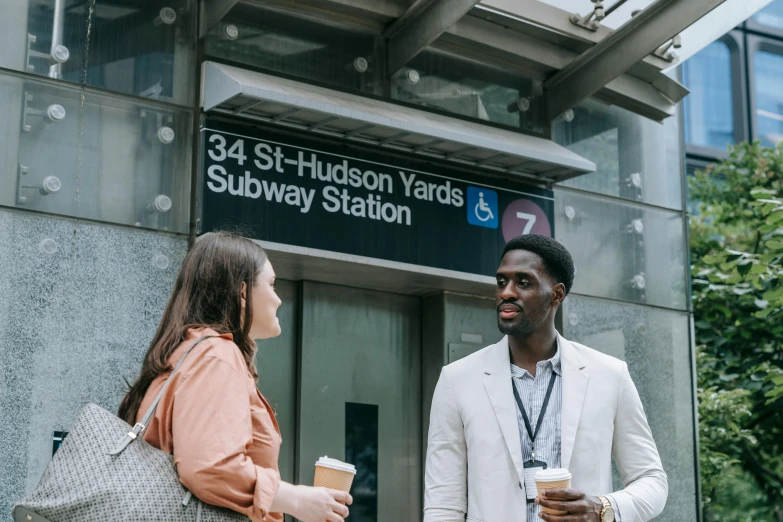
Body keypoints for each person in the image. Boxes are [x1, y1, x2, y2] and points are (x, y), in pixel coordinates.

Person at [424, 234, 667, 522]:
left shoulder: (610, 375)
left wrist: (603, 508)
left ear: (557, 294)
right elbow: (443, 502)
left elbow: (652, 481)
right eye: (502, 282)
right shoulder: (458, 379)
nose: (506, 293)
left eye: (523, 282)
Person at [118, 231, 351, 522]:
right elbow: (210, 467)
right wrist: (297, 500)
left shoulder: (189, 352)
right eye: (272, 285)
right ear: (242, 293)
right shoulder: (217, 355)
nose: (278, 300)